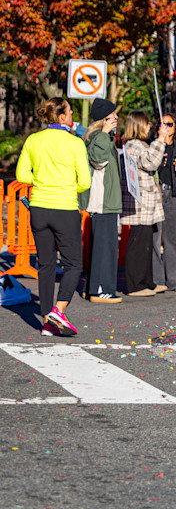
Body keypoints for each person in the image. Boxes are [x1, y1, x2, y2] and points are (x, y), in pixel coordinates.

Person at [16, 97, 91, 335]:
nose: (72, 116)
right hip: (65, 208)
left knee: (46, 265)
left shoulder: (33, 140)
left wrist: (42, 181)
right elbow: (85, 182)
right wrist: (66, 185)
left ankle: (47, 321)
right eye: (70, 112)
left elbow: (22, 175)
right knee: (73, 264)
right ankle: (59, 310)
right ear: (61, 117)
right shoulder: (75, 143)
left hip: (38, 208)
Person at [120, 111, 169, 297]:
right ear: (139, 125)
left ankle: (146, 281)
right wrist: (161, 140)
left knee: (146, 243)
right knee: (138, 243)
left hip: (146, 201)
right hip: (139, 202)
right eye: (147, 124)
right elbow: (149, 162)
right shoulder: (133, 145)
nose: (150, 127)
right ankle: (135, 284)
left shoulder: (140, 144)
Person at [80, 98, 123, 304]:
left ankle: (93, 287)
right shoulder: (99, 137)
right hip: (102, 201)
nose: (116, 117)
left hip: (106, 200)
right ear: (103, 119)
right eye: (112, 114)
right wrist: (105, 133)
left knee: (103, 246)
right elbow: (98, 160)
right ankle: (101, 289)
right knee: (105, 247)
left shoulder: (100, 137)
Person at [151, 112, 176, 293]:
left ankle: (173, 279)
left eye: (170, 124)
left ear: (175, 128)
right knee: (154, 237)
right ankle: (157, 279)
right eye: (163, 124)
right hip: (156, 193)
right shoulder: (154, 144)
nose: (166, 127)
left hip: (172, 193)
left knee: (172, 238)